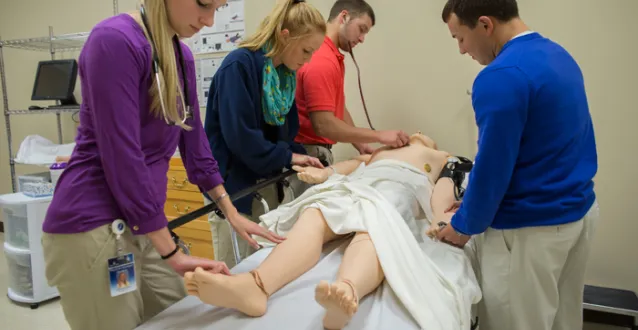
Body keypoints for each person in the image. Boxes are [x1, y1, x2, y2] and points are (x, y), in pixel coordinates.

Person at [40, 1, 282, 329]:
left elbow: (196, 147)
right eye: (203, 4)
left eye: (218, 8)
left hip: (143, 225)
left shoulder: (180, 57)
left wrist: (231, 211)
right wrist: (172, 253)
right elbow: (123, 158)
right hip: (95, 227)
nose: (209, 21)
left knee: (187, 311)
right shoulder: (114, 41)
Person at [184, 132, 482, 330]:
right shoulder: (379, 153)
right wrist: (324, 174)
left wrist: (441, 217)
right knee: (316, 214)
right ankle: (257, 285)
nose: (415, 131)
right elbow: (350, 164)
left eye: (422, 132)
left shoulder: (441, 156)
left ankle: (347, 290)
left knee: (374, 228)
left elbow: (444, 187)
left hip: (399, 188)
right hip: (355, 186)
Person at [436, 1, 599, 330]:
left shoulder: (500, 76)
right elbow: (542, 148)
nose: (461, 50)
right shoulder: (558, 55)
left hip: (530, 230)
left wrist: (465, 223)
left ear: (485, 24)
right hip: (577, 214)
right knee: (563, 321)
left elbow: (494, 166)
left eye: (460, 38)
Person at [203, 0, 328, 268]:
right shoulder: (239, 67)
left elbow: (283, 137)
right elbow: (242, 140)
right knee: (237, 273)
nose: (308, 60)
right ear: (285, 36)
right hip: (234, 192)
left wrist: (301, 156)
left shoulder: (284, 77)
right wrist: (288, 156)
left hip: (265, 186)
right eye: (306, 50)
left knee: (268, 269)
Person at [294, 0, 410, 167]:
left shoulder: (331, 56)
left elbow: (336, 108)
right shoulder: (323, 59)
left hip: (315, 151)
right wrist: (379, 135)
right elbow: (323, 124)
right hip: (307, 154)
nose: (362, 39)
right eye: (361, 29)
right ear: (344, 17)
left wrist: (360, 144)